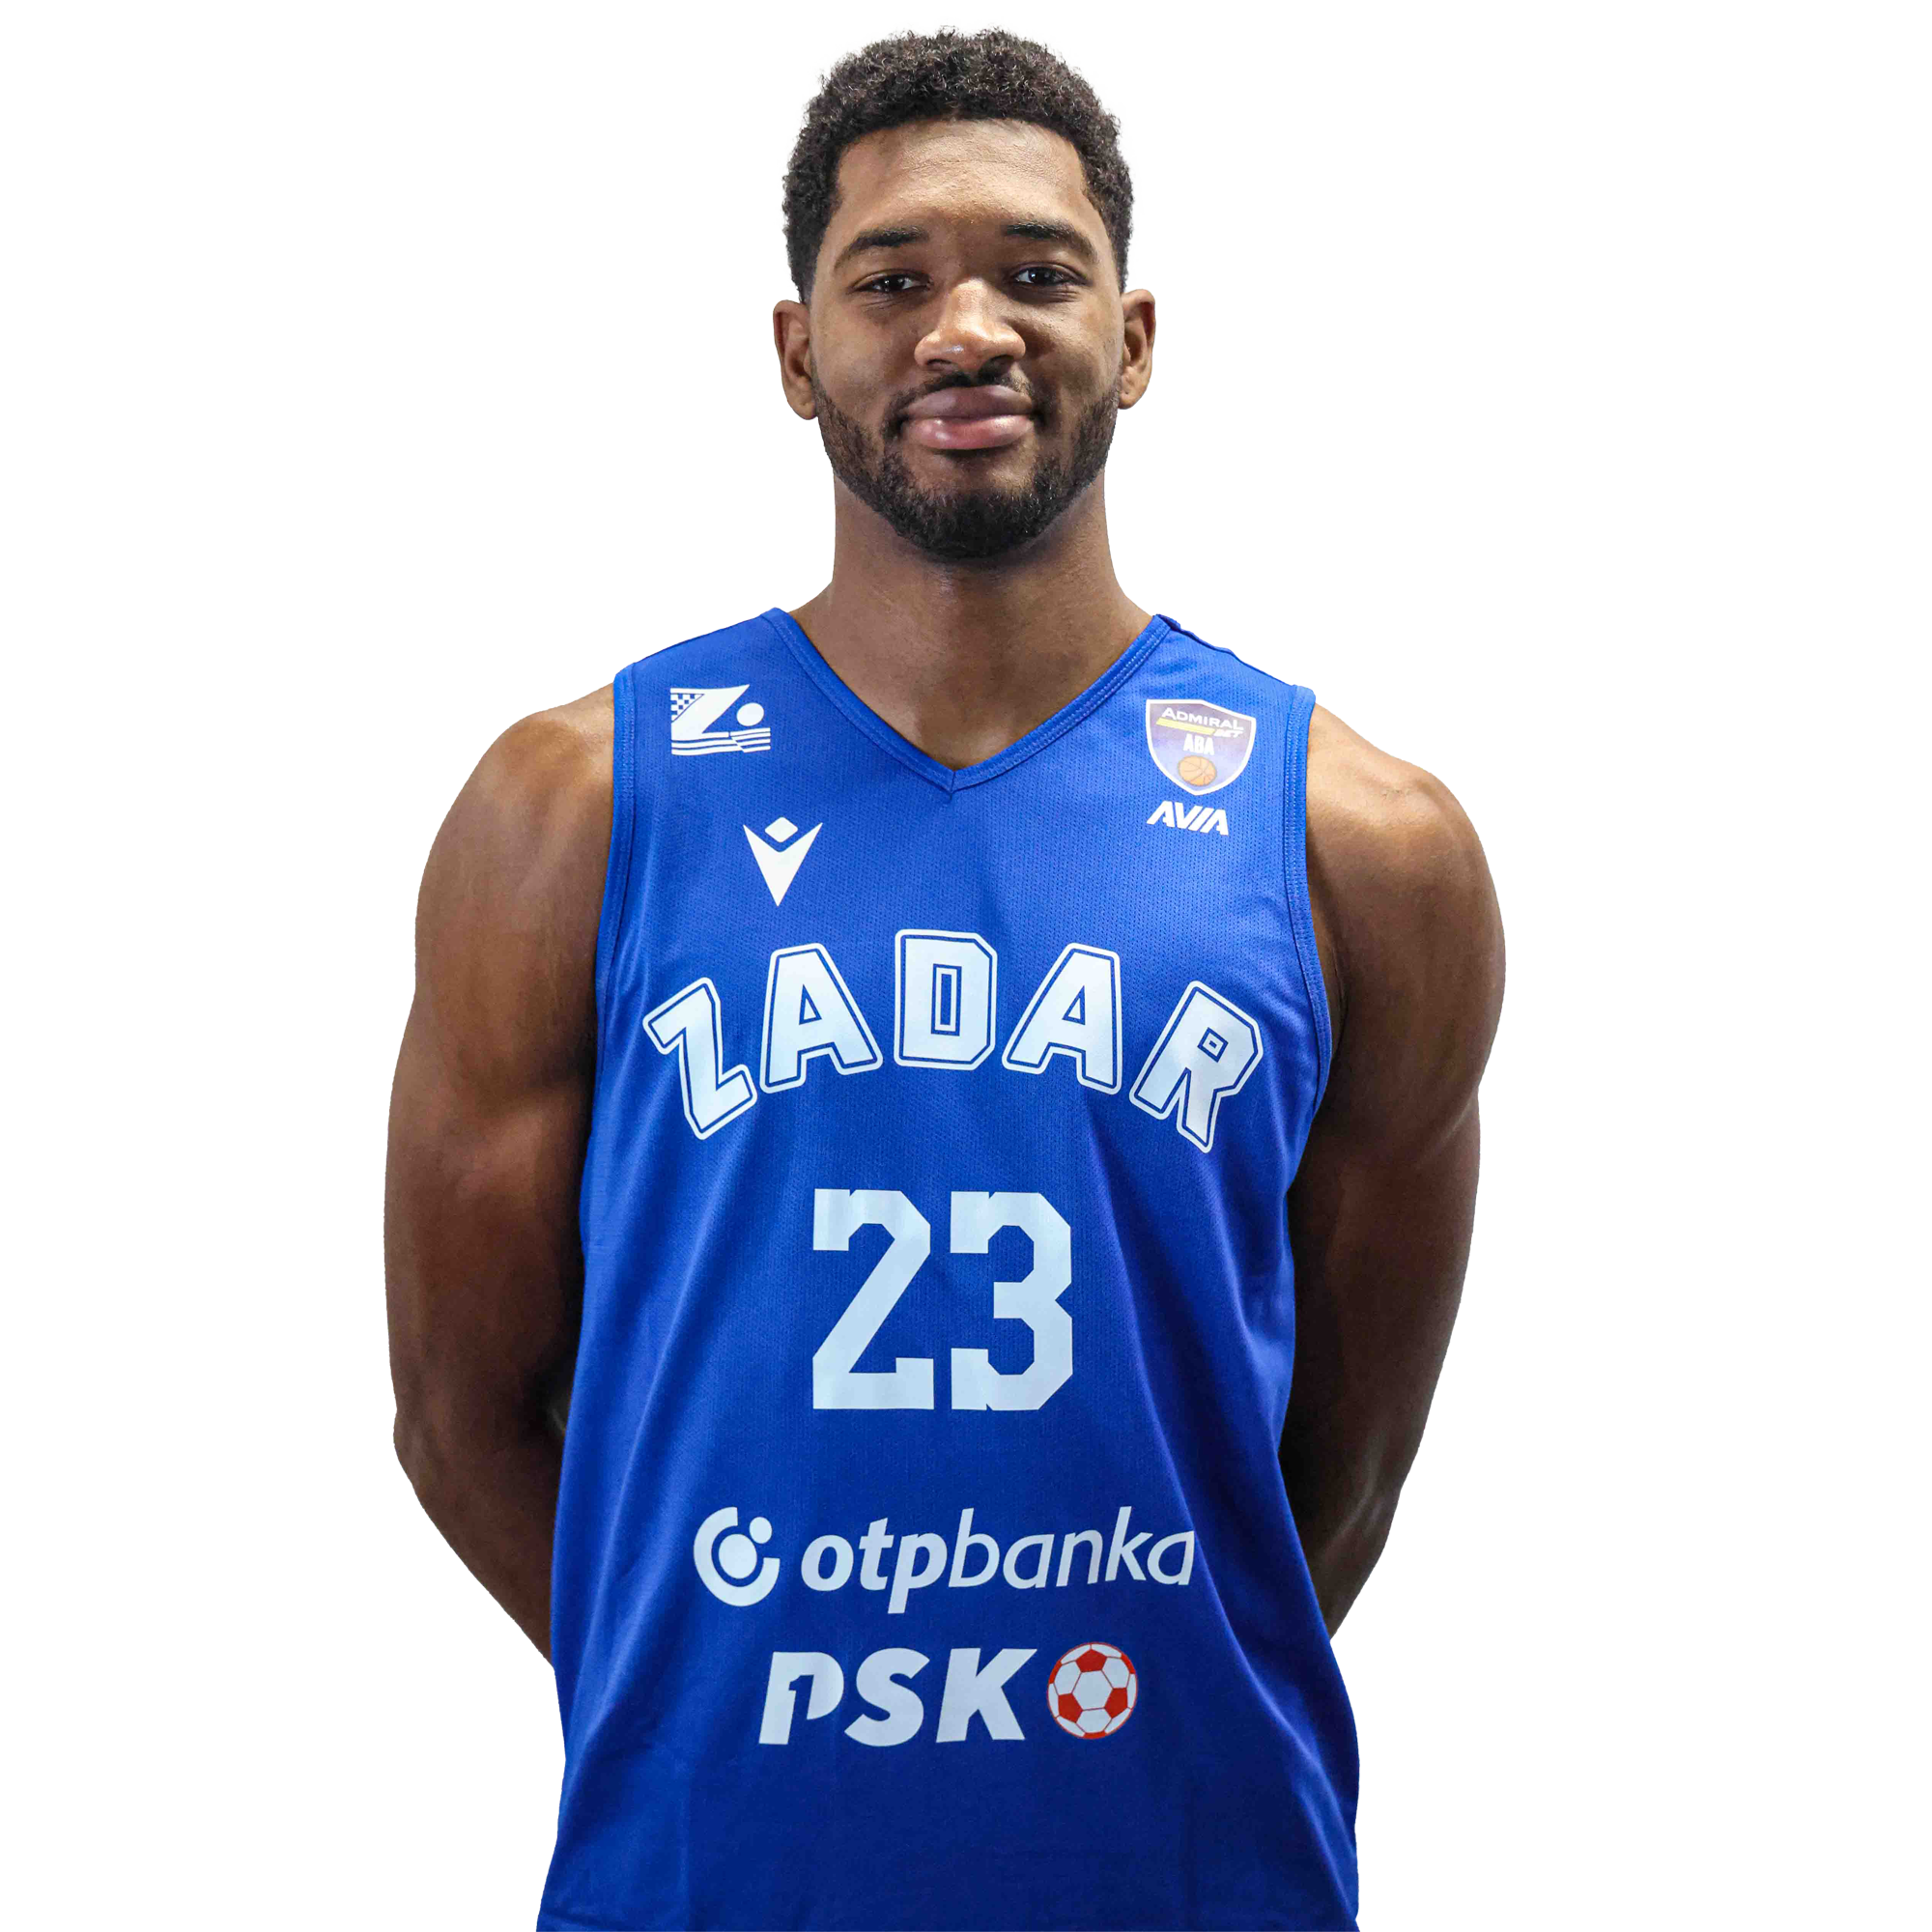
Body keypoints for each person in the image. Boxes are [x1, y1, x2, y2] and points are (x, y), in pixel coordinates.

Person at [386, 22, 1503, 1931]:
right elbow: (456, 1409)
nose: (965, 327)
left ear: (1129, 339)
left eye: (1035, 274)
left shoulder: (1364, 846)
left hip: (1182, 1872)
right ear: (797, 349)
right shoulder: (572, 808)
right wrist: (710, 1688)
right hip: (712, 1878)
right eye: (891, 279)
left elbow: (1342, 1466)